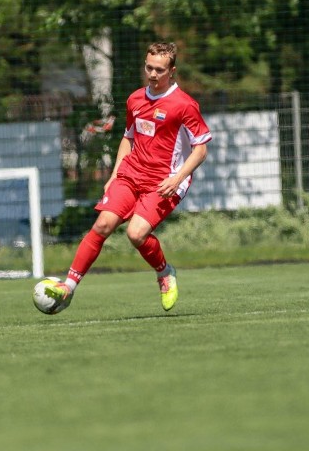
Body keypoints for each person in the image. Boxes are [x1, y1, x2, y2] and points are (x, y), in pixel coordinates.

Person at [46, 42, 211, 311]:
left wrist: (178, 178)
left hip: (163, 181)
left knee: (136, 234)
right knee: (102, 225)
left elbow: (200, 150)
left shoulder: (184, 105)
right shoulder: (135, 99)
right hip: (131, 174)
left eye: (159, 69)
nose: (153, 74)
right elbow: (128, 137)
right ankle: (68, 287)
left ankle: (164, 272)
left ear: (172, 71)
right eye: (149, 67)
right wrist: (114, 175)